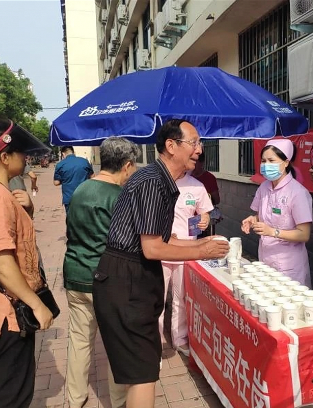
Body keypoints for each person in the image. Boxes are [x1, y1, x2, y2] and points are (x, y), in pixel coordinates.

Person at [92, 119, 229, 408]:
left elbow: (166, 238)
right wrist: (201, 252)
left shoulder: (162, 181)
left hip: (132, 279)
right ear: (171, 146)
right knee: (143, 373)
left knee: (141, 371)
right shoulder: (153, 182)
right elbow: (153, 248)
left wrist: (201, 245)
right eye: (193, 143)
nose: (199, 150)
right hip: (126, 281)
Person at [0, 118, 53, 408]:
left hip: (10, 309)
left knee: (17, 389)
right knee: (12, 396)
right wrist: (36, 304)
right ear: (4, 157)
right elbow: (2, 263)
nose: (25, 157)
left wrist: (28, 209)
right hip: (8, 314)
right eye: (20, 152)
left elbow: (15, 242)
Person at [63, 137, 140, 408]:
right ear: (127, 165)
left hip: (75, 274)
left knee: (79, 340)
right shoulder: (120, 197)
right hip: (107, 279)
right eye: (134, 166)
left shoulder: (80, 189)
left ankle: (75, 399)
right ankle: (118, 401)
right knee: (116, 343)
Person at [241, 139, 313, 285]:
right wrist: (253, 220)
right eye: (263, 161)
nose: (266, 165)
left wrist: (272, 232)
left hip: (289, 266)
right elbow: (261, 216)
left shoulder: (297, 193)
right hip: (266, 259)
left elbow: (304, 234)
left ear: (286, 163)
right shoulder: (264, 187)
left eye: (271, 160)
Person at [159, 172, 213, 356]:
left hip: (186, 251)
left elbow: (205, 213)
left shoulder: (196, 185)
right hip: (160, 249)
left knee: (181, 297)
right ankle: (155, 340)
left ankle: (179, 338)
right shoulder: (158, 181)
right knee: (157, 299)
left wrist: (205, 219)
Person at [53, 146, 94, 213]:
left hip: (69, 198)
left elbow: (56, 182)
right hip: (84, 197)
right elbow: (93, 177)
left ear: (63, 154)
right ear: (73, 152)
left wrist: (65, 179)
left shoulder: (60, 165)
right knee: (84, 217)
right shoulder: (84, 161)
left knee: (71, 218)